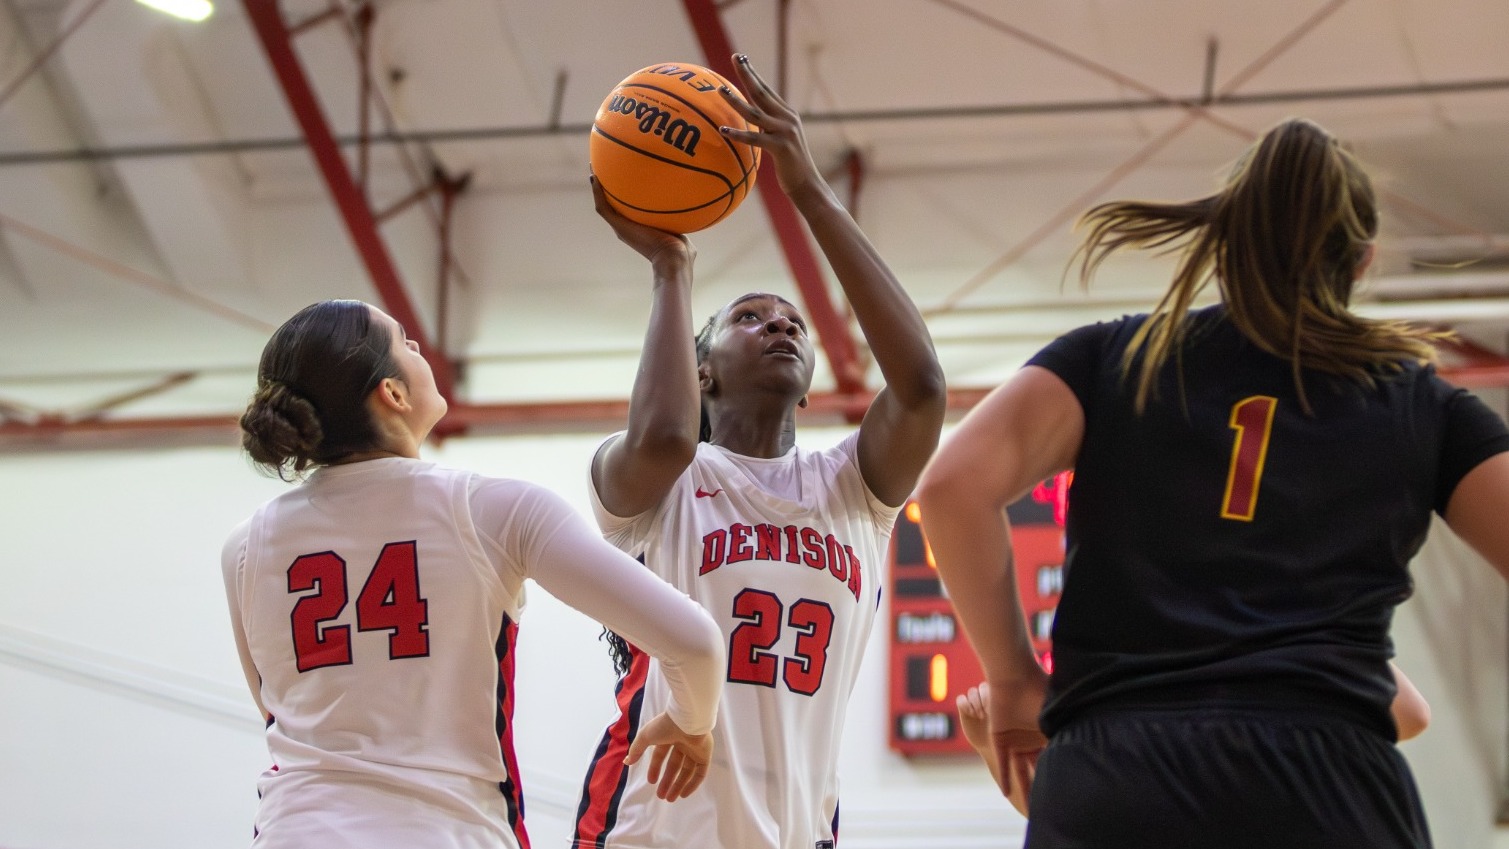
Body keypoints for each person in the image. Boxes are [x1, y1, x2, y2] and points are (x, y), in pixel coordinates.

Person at [916, 117, 1509, 848]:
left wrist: (1010, 678)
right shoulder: (1424, 404)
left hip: (1118, 768)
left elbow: (950, 486)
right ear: (1361, 262)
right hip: (1326, 779)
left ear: (1222, 241)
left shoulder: (1108, 358)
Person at [571, 54, 946, 849]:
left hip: (798, 831)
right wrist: (671, 264)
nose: (780, 325)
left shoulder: (850, 488)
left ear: (810, 379)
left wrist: (807, 188)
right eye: (749, 317)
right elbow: (670, 434)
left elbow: (920, 387)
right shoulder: (662, 477)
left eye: (792, 322)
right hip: (652, 829)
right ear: (699, 369)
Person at [222, 299, 727, 849]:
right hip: (448, 830)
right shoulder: (494, 508)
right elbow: (695, 641)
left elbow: (279, 710)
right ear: (391, 394)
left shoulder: (247, 545)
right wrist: (692, 723)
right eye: (404, 343)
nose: (419, 349)